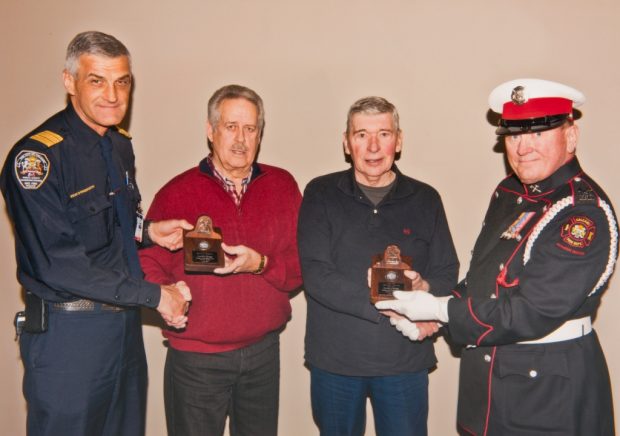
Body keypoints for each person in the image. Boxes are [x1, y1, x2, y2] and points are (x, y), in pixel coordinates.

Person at [377, 79, 618, 435]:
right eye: (514, 135)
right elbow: (484, 280)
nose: (523, 147)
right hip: (490, 390)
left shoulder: (582, 215)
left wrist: (439, 309)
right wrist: (433, 315)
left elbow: (530, 312)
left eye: (539, 133)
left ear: (570, 136)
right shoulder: (509, 193)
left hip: (548, 397)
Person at [0, 31, 194, 436]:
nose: (112, 94)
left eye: (122, 81)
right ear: (69, 81)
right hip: (69, 338)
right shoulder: (37, 159)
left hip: (122, 332)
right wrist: (156, 295)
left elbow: (113, 222)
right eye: (97, 80)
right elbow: (59, 265)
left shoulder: (119, 146)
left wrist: (150, 231)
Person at [139, 84, 303, 436]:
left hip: (263, 354)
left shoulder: (283, 186)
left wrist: (260, 263)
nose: (241, 139)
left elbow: (301, 268)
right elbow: (147, 261)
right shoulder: (176, 193)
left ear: (260, 134)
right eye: (231, 127)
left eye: (250, 128)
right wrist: (165, 293)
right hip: (196, 360)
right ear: (210, 131)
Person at [297, 96, 459, 436]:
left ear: (398, 141)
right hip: (336, 363)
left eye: (383, 134)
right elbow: (316, 275)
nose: (373, 146)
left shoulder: (426, 198)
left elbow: (447, 270)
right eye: (361, 135)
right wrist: (384, 305)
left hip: (405, 360)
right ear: (346, 142)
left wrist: (423, 290)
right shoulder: (320, 192)